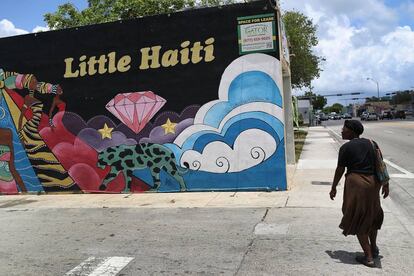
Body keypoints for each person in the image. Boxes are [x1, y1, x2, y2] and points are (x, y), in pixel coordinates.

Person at [329, 119, 389, 268]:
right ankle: (373, 248)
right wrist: (386, 184)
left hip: (357, 184)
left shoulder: (346, 148)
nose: (342, 131)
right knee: (371, 216)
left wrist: (334, 187)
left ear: (352, 131)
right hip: (373, 184)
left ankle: (368, 257)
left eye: (344, 128)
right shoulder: (371, 143)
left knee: (358, 218)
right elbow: (380, 163)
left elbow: (340, 170)